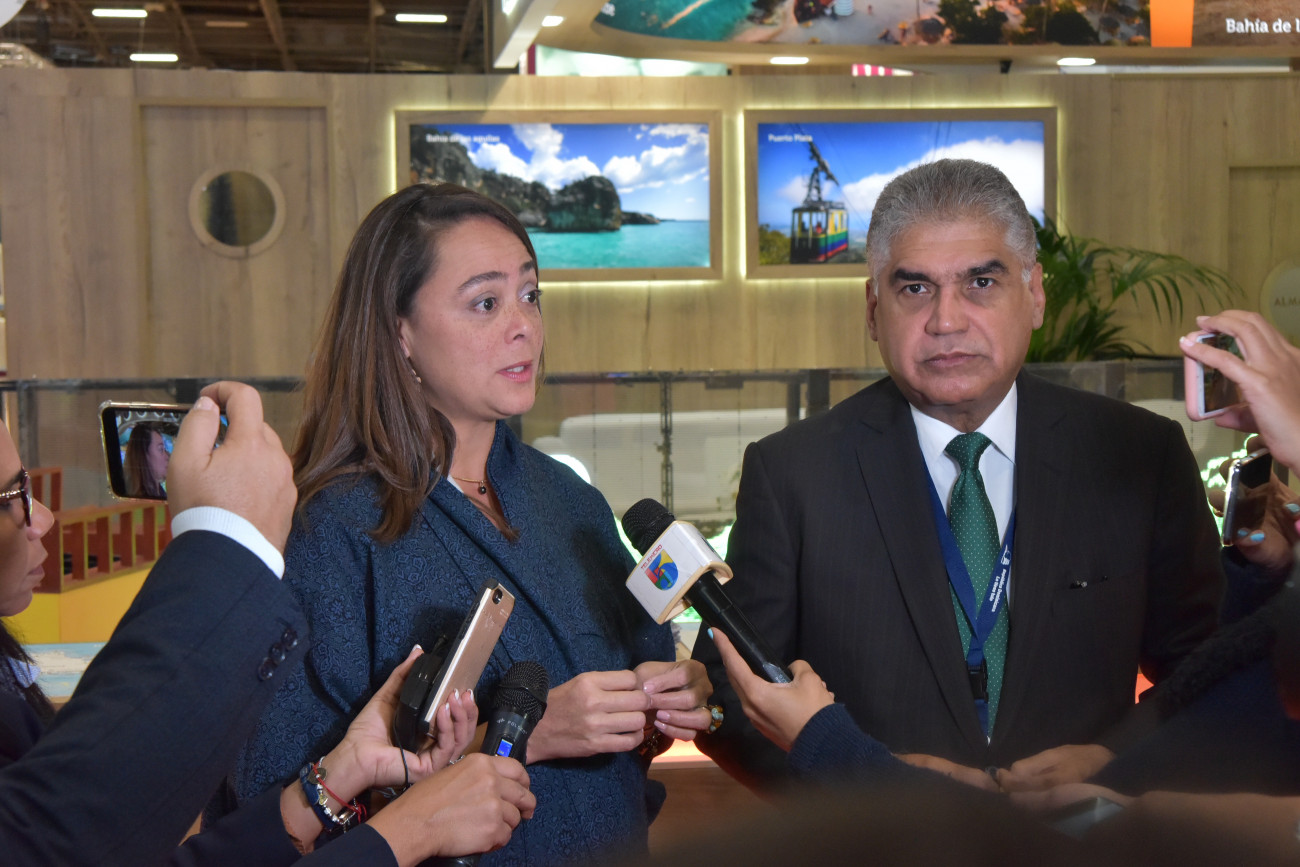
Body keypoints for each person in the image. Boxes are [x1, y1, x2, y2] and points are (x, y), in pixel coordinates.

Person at [691, 159, 1225, 793]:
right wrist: (864, 786)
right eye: (915, 289)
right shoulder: (792, 474)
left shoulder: (1139, 455)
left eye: (981, 282)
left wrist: (1118, 759)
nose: (946, 321)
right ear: (873, 310)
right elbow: (726, 697)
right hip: (878, 839)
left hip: (1087, 833)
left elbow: (1209, 671)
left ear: (1035, 295)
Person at [232, 183, 713, 865]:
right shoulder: (328, 531)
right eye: (486, 302)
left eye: (530, 295)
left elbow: (642, 695)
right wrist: (524, 736)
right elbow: (281, 813)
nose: (524, 326)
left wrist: (671, 699)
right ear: (399, 333)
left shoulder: (570, 499)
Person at [0, 382, 535, 867]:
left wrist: (333, 781)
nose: (42, 517)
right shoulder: (331, 524)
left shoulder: (544, 489)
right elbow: (61, 837)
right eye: (14, 494)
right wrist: (413, 829)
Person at [124, 422, 172, 498]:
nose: (167, 456)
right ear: (144, 455)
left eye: (164, 449)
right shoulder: (139, 499)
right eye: (161, 449)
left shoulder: (160, 492)